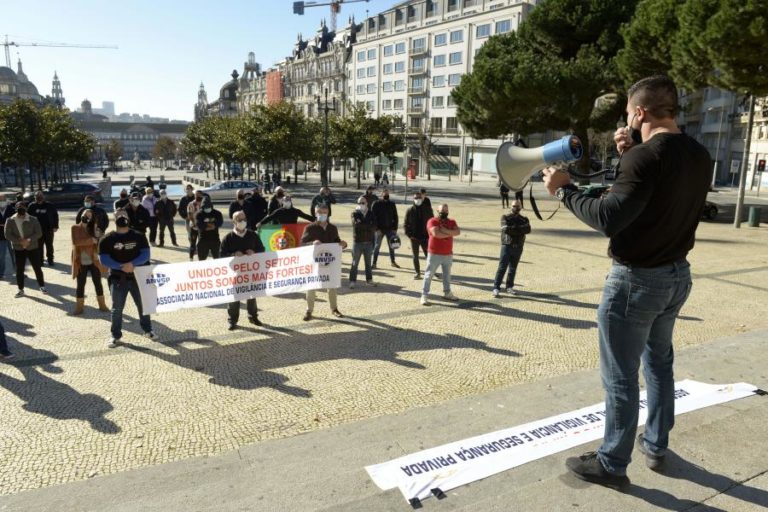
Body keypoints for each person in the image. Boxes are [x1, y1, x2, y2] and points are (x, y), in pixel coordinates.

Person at [542, 76, 712, 489]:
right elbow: (655, 193)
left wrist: (564, 191)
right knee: (659, 364)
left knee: (620, 376)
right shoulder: (699, 154)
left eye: (629, 115)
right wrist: (631, 152)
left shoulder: (644, 158)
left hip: (636, 280)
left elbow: (608, 218)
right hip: (676, 276)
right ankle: (655, 444)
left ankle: (613, 463)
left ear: (639, 113)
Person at [99, 209, 155, 347]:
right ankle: (115, 335)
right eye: (119, 215)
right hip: (118, 278)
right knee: (117, 308)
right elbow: (103, 259)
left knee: (143, 305)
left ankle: (148, 330)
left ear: (128, 218)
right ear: (114, 218)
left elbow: (146, 254)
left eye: (124, 215)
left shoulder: (139, 235)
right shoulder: (106, 239)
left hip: (138, 277)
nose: (121, 217)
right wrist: (121, 266)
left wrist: (132, 265)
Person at [300, 204, 346, 321]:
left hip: (329, 262)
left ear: (328, 213)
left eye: (324, 212)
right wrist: (312, 243)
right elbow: (302, 244)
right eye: (319, 212)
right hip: (314, 263)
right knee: (311, 286)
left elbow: (336, 242)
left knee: (332, 286)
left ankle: (334, 309)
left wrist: (343, 244)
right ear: (315, 213)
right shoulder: (309, 228)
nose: (322, 214)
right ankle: (309, 310)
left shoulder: (332, 228)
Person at [220, 211, 264, 329]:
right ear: (234, 222)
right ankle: (232, 320)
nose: (243, 222)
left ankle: (253, 316)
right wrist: (233, 254)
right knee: (235, 298)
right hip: (235, 274)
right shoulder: (228, 238)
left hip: (250, 273)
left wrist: (254, 252)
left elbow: (262, 250)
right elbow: (221, 256)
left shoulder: (252, 235)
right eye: (239, 220)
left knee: (252, 295)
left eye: (244, 219)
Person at [420, 204, 460, 305]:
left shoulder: (452, 221)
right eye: (442, 210)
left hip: (448, 254)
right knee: (429, 275)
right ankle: (424, 295)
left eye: (446, 210)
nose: (444, 212)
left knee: (447, 275)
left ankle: (447, 293)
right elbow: (436, 234)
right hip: (434, 254)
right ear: (437, 210)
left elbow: (458, 232)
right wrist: (450, 233)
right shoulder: (432, 221)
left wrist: (444, 230)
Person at [71, 208, 109, 314]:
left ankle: (102, 305)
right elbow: (76, 242)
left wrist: (97, 234)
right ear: (81, 215)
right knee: (80, 284)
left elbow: (101, 240)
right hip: (81, 261)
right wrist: (91, 240)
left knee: (98, 283)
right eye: (85, 214)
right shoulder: (75, 227)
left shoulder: (95, 227)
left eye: (89, 215)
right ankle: (79, 307)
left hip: (94, 261)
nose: (87, 217)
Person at [4, 201, 46, 297]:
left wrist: (28, 240)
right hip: (18, 248)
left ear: (26, 208)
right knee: (19, 270)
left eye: (22, 206)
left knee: (37, 268)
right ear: (15, 208)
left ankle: (42, 286)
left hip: (32, 247)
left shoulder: (33, 219)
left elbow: (39, 233)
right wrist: (20, 241)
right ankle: (20, 289)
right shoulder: (10, 220)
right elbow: (7, 235)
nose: (21, 208)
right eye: (18, 207)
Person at [492, 200, 530, 297]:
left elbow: (528, 229)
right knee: (502, 267)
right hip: (507, 245)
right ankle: (496, 287)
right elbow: (506, 229)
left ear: (521, 207)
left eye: (517, 206)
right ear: (511, 206)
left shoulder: (524, 219)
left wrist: (514, 228)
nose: (515, 208)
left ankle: (509, 286)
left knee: (513, 268)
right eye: (514, 206)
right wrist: (520, 229)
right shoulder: (505, 217)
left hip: (518, 247)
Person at [349, 196, 377, 288]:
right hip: (357, 243)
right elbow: (356, 225)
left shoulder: (371, 213)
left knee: (368, 264)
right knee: (354, 263)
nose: (361, 204)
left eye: (363, 203)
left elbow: (374, 226)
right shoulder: (354, 213)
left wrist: (363, 224)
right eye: (359, 203)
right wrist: (368, 225)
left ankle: (369, 280)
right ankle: (352, 281)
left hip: (369, 242)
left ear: (367, 203)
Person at [404, 191, 433, 279]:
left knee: (428, 256)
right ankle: (418, 273)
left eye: (419, 198)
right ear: (413, 199)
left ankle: (430, 272)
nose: (418, 199)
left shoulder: (427, 209)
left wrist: (430, 234)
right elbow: (406, 224)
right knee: (415, 256)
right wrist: (409, 235)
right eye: (416, 198)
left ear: (422, 199)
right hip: (414, 238)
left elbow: (432, 222)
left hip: (425, 237)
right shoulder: (410, 210)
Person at [27, 191, 59, 266]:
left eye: (40, 195)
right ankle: (40, 260)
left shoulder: (50, 205)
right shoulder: (32, 206)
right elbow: (28, 218)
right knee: (39, 246)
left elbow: (55, 216)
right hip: (36, 230)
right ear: (35, 197)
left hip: (48, 229)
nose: (39, 197)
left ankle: (50, 259)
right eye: (37, 196)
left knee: (49, 245)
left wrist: (56, 226)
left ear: (43, 196)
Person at [371, 189, 400, 269]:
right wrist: (376, 229)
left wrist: (395, 228)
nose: (386, 196)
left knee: (392, 246)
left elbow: (395, 216)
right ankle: (374, 263)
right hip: (379, 230)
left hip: (390, 229)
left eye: (387, 194)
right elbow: (373, 217)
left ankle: (393, 262)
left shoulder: (392, 204)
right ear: (381, 195)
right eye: (384, 194)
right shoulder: (376, 204)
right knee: (377, 246)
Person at [186, 190, 206, 260]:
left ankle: (201, 258)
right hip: (193, 227)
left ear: (202, 195)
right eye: (196, 195)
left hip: (202, 227)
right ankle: (191, 258)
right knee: (193, 243)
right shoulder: (191, 204)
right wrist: (194, 222)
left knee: (201, 243)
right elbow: (189, 215)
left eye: (199, 195)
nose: (197, 196)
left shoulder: (204, 204)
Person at [178, 185, 197, 259]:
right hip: (188, 219)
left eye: (189, 188)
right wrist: (184, 216)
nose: (188, 190)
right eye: (187, 189)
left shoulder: (196, 197)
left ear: (192, 189)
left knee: (198, 234)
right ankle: (193, 247)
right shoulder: (183, 199)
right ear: (185, 190)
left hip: (197, 219)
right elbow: (179, 209)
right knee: (190, 234)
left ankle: (198, 247)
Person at [0, 194, 16, 279]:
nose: (1, 201)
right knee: (1, 256)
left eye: (3, 199)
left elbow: (15, 220)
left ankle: (19, 272)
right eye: (0, 200)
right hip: (1, 237)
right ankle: (0, 273)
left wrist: (5, 225)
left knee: (15, 254)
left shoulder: (11, 209)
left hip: (11, 235)